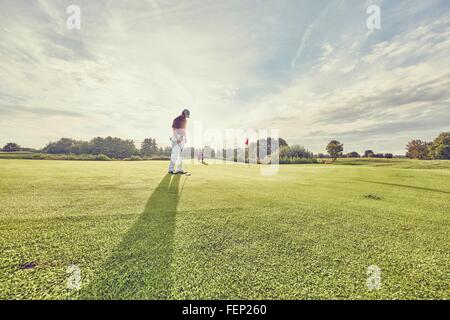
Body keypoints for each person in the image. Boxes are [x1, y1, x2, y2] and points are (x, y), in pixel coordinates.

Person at [168, 109, 190, 174]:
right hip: (175, 137)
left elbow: (184, 130)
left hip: (182, 138)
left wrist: (184, 138)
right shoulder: (176, 119)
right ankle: (171, 169)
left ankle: (179, 169)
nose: (186, 117)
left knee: (180, 155)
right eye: (186, 115)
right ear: (183, 114)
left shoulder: (185, 120)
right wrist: (177, 139)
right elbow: (174, 130)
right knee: (175, 154)